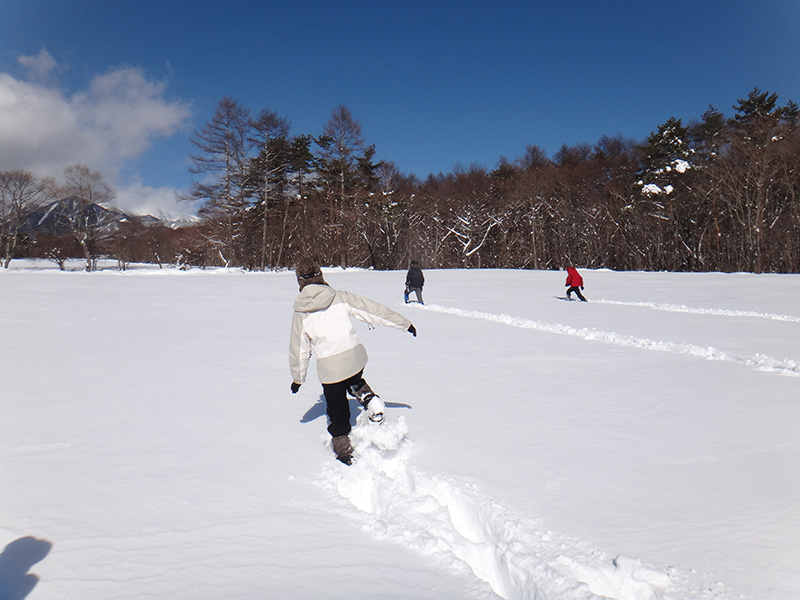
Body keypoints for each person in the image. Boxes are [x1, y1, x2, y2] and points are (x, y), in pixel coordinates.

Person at [289, 259, 417, 465]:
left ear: (300, 282)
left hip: (330, 370)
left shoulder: (301, 314)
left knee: (337, 409)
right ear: (320, 276)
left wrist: (298, 378)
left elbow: (299, 350)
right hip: (355, 359)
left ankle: (343, 450)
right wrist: (404, 324)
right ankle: (368, 398)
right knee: (353, 378)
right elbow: (373, 310)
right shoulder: (340, 297)